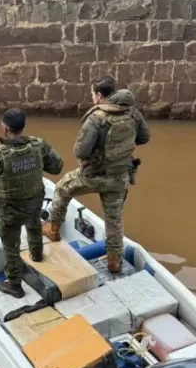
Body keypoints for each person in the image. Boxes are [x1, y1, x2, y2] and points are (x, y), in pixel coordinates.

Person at [42, 75, 150, 273]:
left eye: (92, 94)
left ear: (99, 96)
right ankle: (114, 261)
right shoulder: (132, 113)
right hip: (120, 177)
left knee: (62, 188)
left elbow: (80, 152)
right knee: (114, 219)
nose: (92, 98)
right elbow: (144, 138)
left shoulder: (96, 118)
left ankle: (53, 229)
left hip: (94, 174)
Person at [0, 108, 64, 298]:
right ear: (24, 126)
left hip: (10, 210)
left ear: (4, 128)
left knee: (11, 245)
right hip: (34, 203)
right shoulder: (38, 145)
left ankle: (15, 285)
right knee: (34, 226)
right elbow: (57, 166)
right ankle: (37, 255)